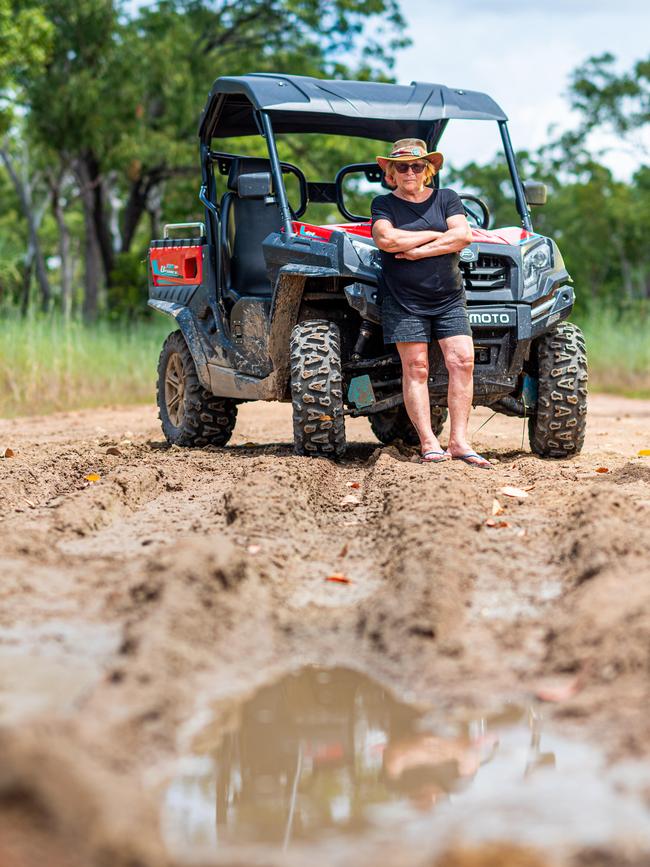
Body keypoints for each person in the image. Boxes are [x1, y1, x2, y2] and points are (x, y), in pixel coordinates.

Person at [371, 138, 492, 468]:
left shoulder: (447, 198)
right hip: (403, 300)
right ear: (391, 173)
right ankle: (429, 442)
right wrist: (436, 236)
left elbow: (463, 236)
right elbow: (387, 239)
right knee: (417, 368)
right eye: (402, 166)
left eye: (417, 165)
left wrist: (417, 250)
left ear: (428, 170)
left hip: (449, 298)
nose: (410, 171)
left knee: (463, 361)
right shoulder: (383, 204)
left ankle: (460, 441)